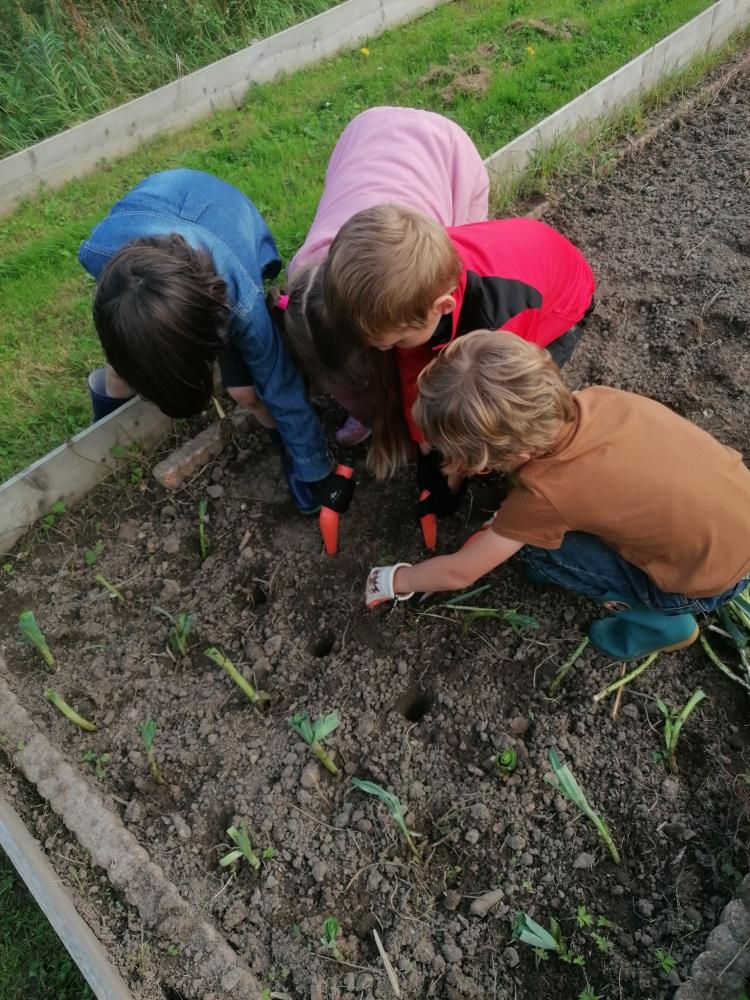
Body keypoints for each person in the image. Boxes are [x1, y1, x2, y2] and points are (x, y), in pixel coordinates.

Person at [365, 331, 750, 661]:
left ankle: (661, 622)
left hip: (702, 584)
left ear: (498, 460)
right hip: (737, 512)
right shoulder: (601, 398)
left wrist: (398, 579)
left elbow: (461, 571)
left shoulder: (544, 496)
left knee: (537, 548)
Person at [78, 168, 352, 516]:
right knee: (117, 375)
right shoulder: (101, 255)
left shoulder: (241, 302)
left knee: (247, 392)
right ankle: (107, 442)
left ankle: (290, 450)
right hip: (163, 215)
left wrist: (317, 469)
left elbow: (279, 383)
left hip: (225, 214)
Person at [322, 205, 596, 518]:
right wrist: (424, 445)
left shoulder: (497, 324)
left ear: (442, 306)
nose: (390, 350)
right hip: (523, 268)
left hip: (559, 308)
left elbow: (478, 414)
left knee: (509, 420)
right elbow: (414, 369)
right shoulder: (412, 286)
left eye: (395, 341)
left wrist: (453, 472)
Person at [278, 106, 489, 448]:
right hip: (366, 133)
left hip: (448, 153)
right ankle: (371, 404)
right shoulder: (305, 279)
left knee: (430, 318)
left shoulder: (416, 267)